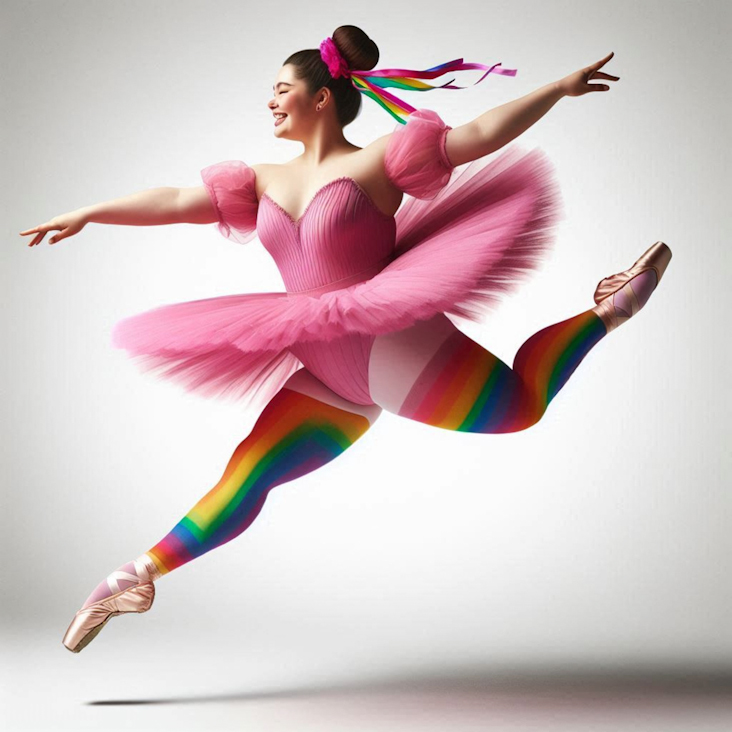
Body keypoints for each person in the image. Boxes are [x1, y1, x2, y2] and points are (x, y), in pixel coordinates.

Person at [21, 26, 671, 654]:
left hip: (389, 342)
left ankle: (608, 308)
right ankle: (132, 578)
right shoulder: (262, 181)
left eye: (281, 88)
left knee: (521, 405)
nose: (270, 100)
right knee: (251, 472)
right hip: (322, 362)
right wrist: (89, 212)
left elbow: (475, 136)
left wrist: (557, 88)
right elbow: (173, 200)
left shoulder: (379, 163)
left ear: (321, 97)